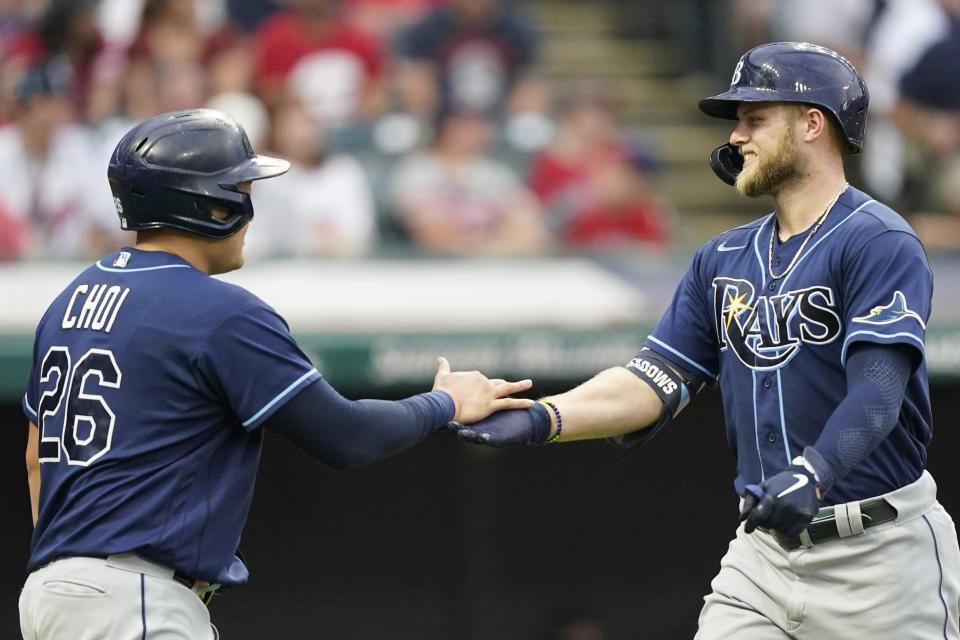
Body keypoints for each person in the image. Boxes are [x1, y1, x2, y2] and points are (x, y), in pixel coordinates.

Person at [452, 42, 960, 639]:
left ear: (811, 123)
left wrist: (814, 472)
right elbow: (650, 383)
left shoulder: (878, 239)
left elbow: (879, 393)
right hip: (765, 557)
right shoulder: (721, 258)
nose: (737, 136)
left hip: (880, 558)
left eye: (754, 118)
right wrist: (542, 417)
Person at [18, 108, 534, 639]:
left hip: (50, 592)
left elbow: (37, 458)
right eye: (239, 188)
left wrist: (78, 572)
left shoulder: (69, 299)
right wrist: (444, 402)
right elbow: (347, 437)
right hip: (135, 598)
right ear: (203, 203)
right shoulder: (218, 311)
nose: (250, 207)